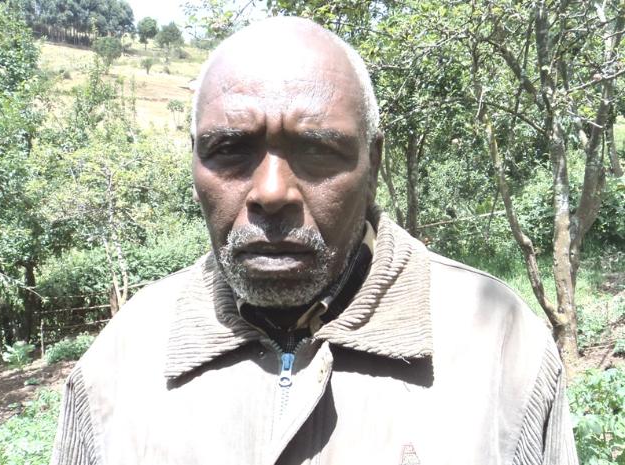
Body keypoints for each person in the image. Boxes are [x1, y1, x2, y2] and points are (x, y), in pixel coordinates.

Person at [51, 17, 578, 465]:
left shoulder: (498, 344)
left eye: (318, 149)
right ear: (194, 161)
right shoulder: (120, 363)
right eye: (230, 148)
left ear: (373, 164)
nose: (271, 192)